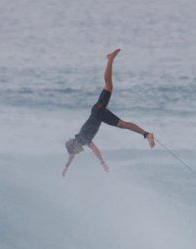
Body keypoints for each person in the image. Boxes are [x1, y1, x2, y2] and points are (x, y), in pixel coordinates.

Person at [63, 49, 155, 177]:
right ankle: (146, 134)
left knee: (108, 85)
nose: (78, 153)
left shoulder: (83, 138)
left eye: (77, 152)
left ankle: (110, 59)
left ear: (75, 146)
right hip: (100, 115)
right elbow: (71, 155)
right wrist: (66, 168)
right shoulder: (79, 140)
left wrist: (102, 163)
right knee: (122, 124)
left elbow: (94, 149)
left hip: (98, 111)